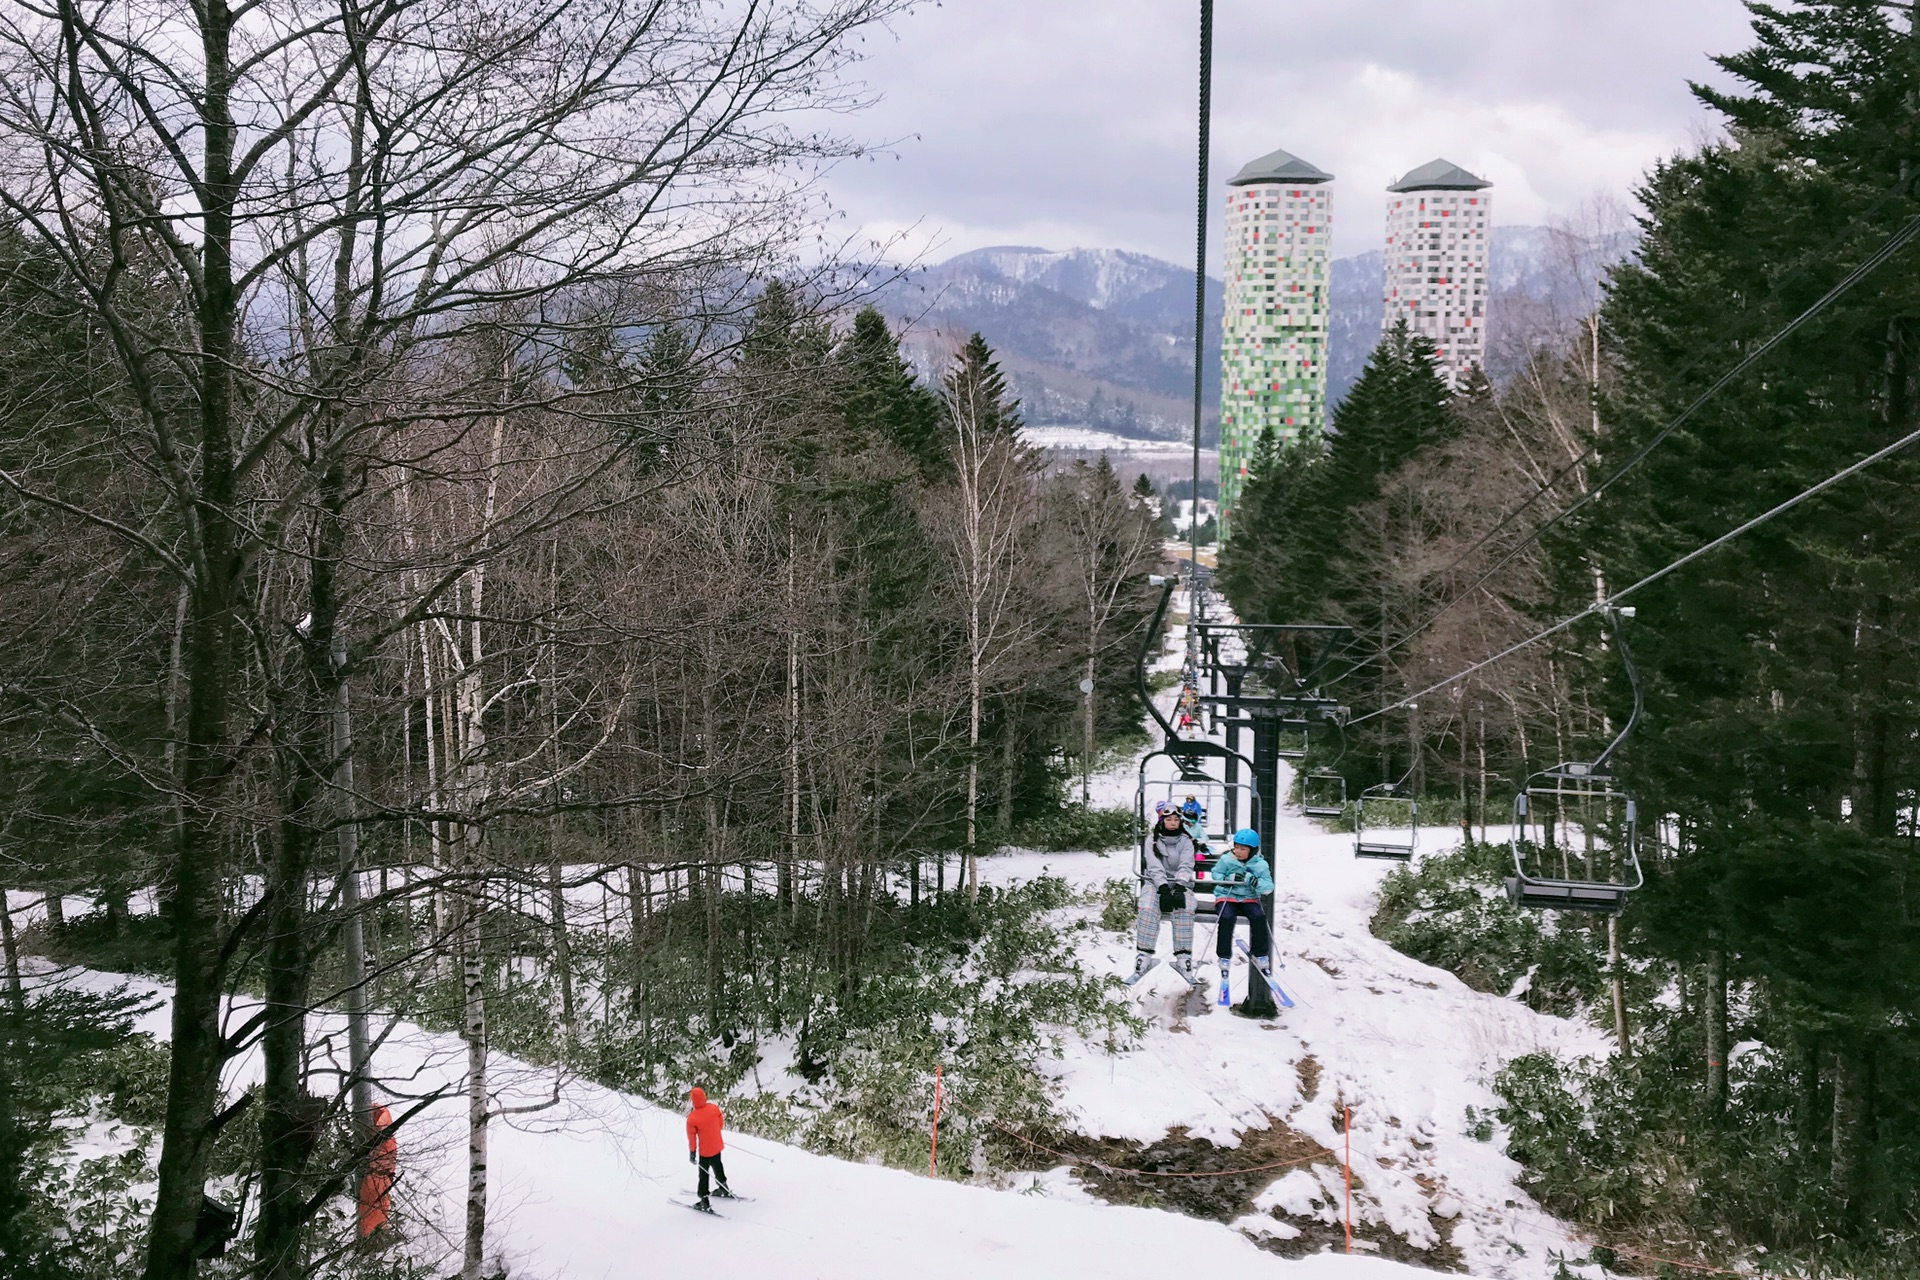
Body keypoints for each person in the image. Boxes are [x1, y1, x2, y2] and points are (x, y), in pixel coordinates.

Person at [1130, 801, 1199, 985]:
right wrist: (1162, 887)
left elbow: (1186, 864)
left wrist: (1179, 885)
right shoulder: (1152, 841)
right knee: (1147, 907)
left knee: (1185, 907)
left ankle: (1183, 957)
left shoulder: (1186, 841)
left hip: (1180, 884)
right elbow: (1153, 866)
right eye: (1169, 819)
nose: (1173, 822)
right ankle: (1144, 954)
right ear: (1162, 821)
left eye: (1176, 819)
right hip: (1155, 883)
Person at [1212, 828, 1275, 988]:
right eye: (1237, 847)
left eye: (1243, 849)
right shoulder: (1227, 860)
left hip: (1248, 898)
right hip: (1228, 895)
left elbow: (1268, 887)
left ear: (1252, 850)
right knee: (1226, 918)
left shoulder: (1260, 864)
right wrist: (1228, 879)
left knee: (1259, 917)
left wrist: (1255, 882)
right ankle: (1224, 956)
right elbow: (1216, 874)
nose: (1238, 851)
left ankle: (1260, 953)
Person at [357, 1104, 398, 1249]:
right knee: (374, 1205)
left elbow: (384, 1159)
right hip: (378, 1179)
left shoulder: (386, 1139)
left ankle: (369, 1236)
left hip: (378, 1179)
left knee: (374, 1204)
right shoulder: (387, 1139)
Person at [687, 1086, 732, 1210]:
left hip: (705, 1151)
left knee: (704, 1174)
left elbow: (692, 1138)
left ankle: (704, 1200)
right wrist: (715, 1132)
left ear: (693, 1100)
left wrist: (692, 1152)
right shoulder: (713, 1108)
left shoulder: (693, 1118)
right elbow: (720, 1122)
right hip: (717, 1145)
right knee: (718, 1166)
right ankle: (723, 1187)